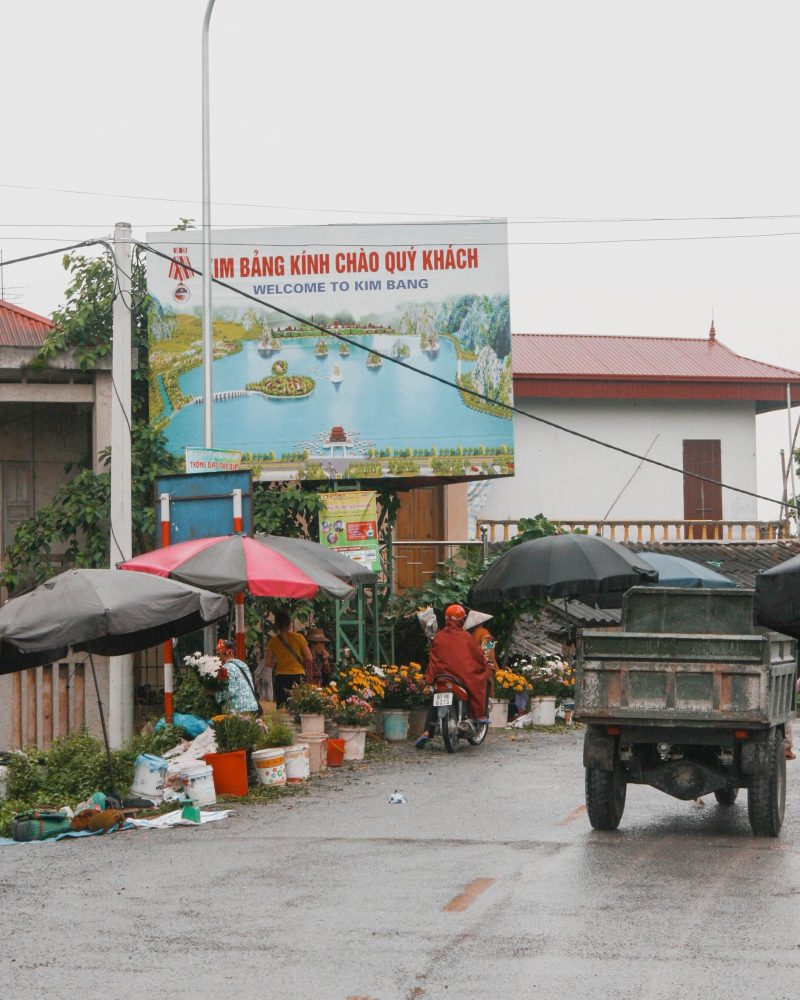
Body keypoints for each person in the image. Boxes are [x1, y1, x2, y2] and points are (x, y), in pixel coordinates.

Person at [415, 603, 490, 749]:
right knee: (481, 684)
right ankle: (478, 716)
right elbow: (480, 655)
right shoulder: (474, 636)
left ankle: (427, 731)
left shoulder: (439, 636)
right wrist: (487, 663)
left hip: (442, 677)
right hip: (462, 676)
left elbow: (434, 657)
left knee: (435, 699)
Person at [264, 610, 313, 707]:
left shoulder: (273, 641)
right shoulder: (299, 637)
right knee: (300, 705)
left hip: (281, 677)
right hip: (298, 675)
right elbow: (309, 658)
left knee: (282, 707)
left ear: (277, 625)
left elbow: (267, 663)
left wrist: (279, 664)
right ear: (290, 623)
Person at [216, 639, 259, 714]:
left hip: (239, 709)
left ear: (225, 653)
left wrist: (215, 695)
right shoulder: (242, 664)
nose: (217, 656)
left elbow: (230, 691)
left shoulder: (227, 667)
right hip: (252, 705)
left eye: (218, 653)